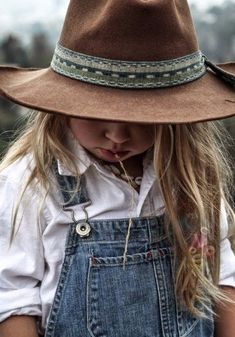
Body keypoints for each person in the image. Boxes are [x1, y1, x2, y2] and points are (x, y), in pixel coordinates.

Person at [0, 1, 235, 336]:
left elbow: (219, 274)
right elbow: (12, 299)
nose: (117, 136)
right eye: (95, 113)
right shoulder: (31, 184)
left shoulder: (190, 178)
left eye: (140, 118)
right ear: (61, 105)